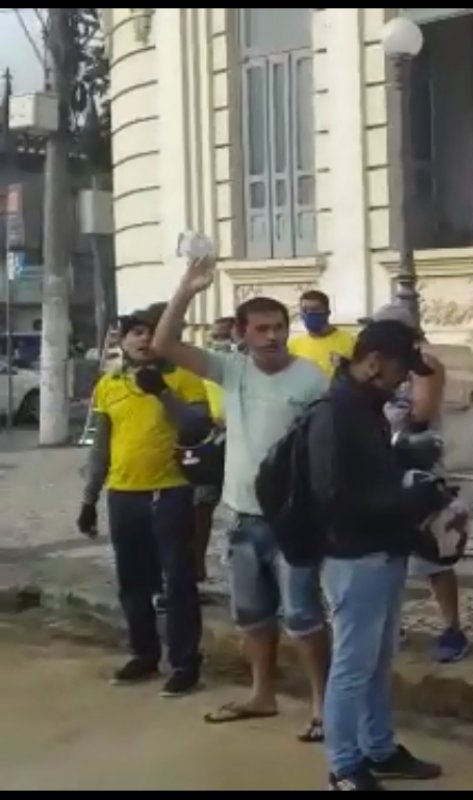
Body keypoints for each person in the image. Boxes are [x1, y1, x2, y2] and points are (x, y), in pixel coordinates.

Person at [153, 257, 332, 744]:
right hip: (243, 517)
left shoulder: (313, 379)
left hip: (293, 520)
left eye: (279, 327)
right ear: (243, 334)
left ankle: (323, 706)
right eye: (262, 329)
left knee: (304, 616)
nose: (272, 336)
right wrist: (187, 288)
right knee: (253, 615)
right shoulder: (232, 371)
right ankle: (261, 693)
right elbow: (163, 345)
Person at [308, 320, 445, 791]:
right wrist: (406, 503)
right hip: (353, 556)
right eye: (401, 368)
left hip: (383, 548)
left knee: (377, 660)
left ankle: (379, 748)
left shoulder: (367, 407)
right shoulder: (335, 411)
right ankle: (344, 766)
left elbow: (369, 475)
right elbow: (331, 495)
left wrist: (407, 463)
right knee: (351, 665)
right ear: (373, 361)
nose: (404, 379)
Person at [77, 307, 210, 695]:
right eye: (135, 332)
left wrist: (162, 391)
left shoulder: (184, 378)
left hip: (170, 492)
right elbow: (100, 447)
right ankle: (144, 653)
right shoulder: (109, 384)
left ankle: (186, 662)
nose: (143, 340)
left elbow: (197, 426)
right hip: (123, 495)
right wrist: (89, 499)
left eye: (151, 333)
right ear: (122, 340)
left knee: (178, 580)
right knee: (132, 581)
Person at [372, 302, 469, 664]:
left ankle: (452, 628)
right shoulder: (377, 367)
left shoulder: (424, 365)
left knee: (434, 554)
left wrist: (387, 409)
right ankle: (392, 623)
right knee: (385, 553)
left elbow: (422, 412)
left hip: (420, 466)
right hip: (383, 468)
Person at [194, 316, 236, 586]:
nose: (220, 342)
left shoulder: (242, 366)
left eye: (225, 337)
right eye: (215, 336)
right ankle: (197, 567)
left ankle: (234, 559)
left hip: (241, 440)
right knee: (202, 504)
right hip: (209, 441)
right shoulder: (200, 365)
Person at [288, 290, 357, 380]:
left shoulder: (350, 341)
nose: (309, 313)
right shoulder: (293, 345)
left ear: (328, 313)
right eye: (305, 310)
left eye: (315, 309)